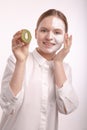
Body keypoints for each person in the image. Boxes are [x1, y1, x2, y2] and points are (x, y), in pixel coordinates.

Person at [0, 9, 78, 130]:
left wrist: (58, 62)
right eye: (44, 30)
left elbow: (67, 108)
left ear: (65, 38)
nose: (49, 37)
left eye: (57, 32)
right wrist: (21, 62)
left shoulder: (65, 69)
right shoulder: (16, 61)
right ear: (36, 33)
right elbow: (8, 106)